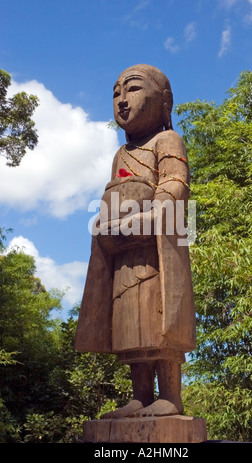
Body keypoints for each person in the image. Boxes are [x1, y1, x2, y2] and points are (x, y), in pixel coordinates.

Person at [75, 64, 195, 418]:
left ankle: (170, 396)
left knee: (161, 325)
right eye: (115, 93)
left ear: (164, 101)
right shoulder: (120, 155)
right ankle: (139, 396)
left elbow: (175, 185)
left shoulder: (167, 141)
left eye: (133, 89)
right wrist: (108, 225)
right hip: (124, 253)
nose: (122, 101)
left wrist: (151, 215)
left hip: (156, 251)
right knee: (131, 324)